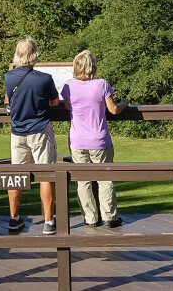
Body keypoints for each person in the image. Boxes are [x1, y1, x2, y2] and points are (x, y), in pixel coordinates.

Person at [60, 50, 128, 228]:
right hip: (100, 139)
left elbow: (68, 107)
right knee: (105, 178)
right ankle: (109, 217)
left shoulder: (67, 86)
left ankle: (90, 218)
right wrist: (124, 103)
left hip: (77, 140)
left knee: (83, 181)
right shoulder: (102, 84)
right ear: (92, 66)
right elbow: (113, 110)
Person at [4, 36, 60, 234]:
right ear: (33, 55)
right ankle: (48, 223)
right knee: (46, 176)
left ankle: (14, 219)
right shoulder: (44, 79)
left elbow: (7, 100)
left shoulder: (8, 77)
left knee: (16, 176)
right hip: (40, 130)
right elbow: (54, 103)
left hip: (17, 132)